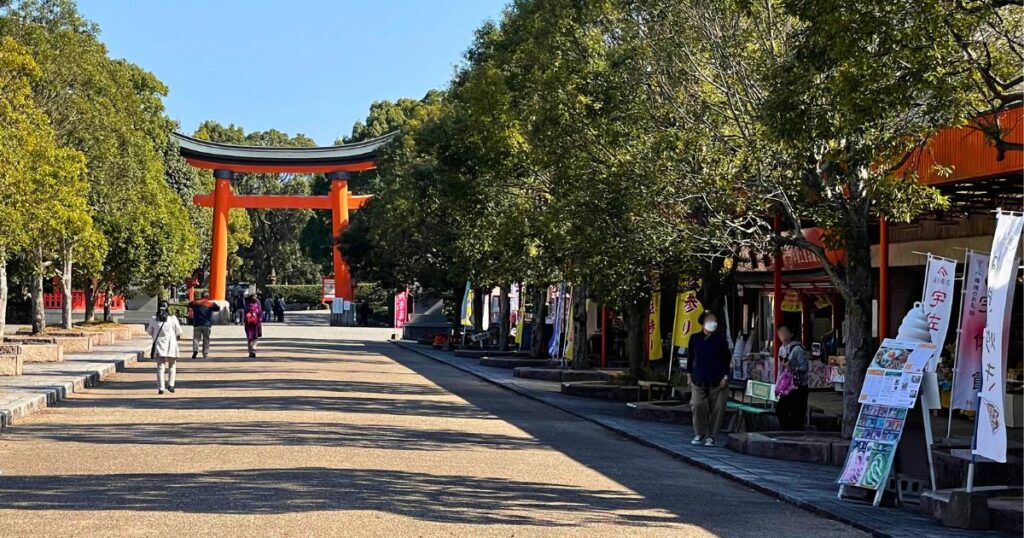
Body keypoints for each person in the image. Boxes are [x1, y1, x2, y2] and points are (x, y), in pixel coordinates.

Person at [687, 311, 731, 446]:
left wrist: (725, 376)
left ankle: (711, 436)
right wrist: (689, 374)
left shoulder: (720, 340)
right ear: (703, 322)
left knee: (718, 408)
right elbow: (691, 358)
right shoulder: (694, 338)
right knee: (697, 404)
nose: (713, 323)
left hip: (718, 380)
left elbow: (726, 359)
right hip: (698, 378)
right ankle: (699, 432)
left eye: (715, 320)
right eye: (710, 320)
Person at [776, 325, 810, 431]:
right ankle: (788, 431)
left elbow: (805, 367)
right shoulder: (781, 349)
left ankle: (795, 434)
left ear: (791, 334)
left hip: (798, 386)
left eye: (785, 332)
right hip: (786, 386)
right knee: (781, 410)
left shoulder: (797, 349)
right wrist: (778, 385)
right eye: (780, 333)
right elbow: (780, 369)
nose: (783, 335)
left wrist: (793, 368)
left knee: (797, 413)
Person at [147, 300, 183, 395]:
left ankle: (161, 388)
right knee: (172, 366)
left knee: (160, 367)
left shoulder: (154, 319)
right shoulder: (173, 319)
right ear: (168, 308)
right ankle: (171, 385)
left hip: (159, 345)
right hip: (171, 344)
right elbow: (179, 331)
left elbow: (149, 332)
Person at [188, 291, 221, 360]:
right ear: (207, 297)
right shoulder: (210, 304)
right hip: (207, 324)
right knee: (206, 339)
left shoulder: (195, 303)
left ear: (201, 296)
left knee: (196, 339)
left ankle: (195, 350)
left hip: (197, 323)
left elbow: (189, 304)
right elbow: (218, 308)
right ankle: (205, 353)